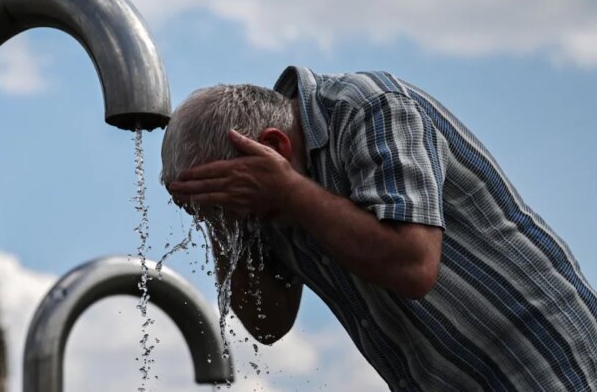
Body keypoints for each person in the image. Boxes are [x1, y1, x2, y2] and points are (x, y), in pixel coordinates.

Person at [162, 66, 597, 391]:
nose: (238, 220)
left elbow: (413, 264)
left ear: (275, 148)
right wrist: (218, 220)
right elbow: (266, 322)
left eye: (231, 203)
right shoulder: (259, 190)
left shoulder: (369, 109)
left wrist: (291, 192)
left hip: (545, 360)